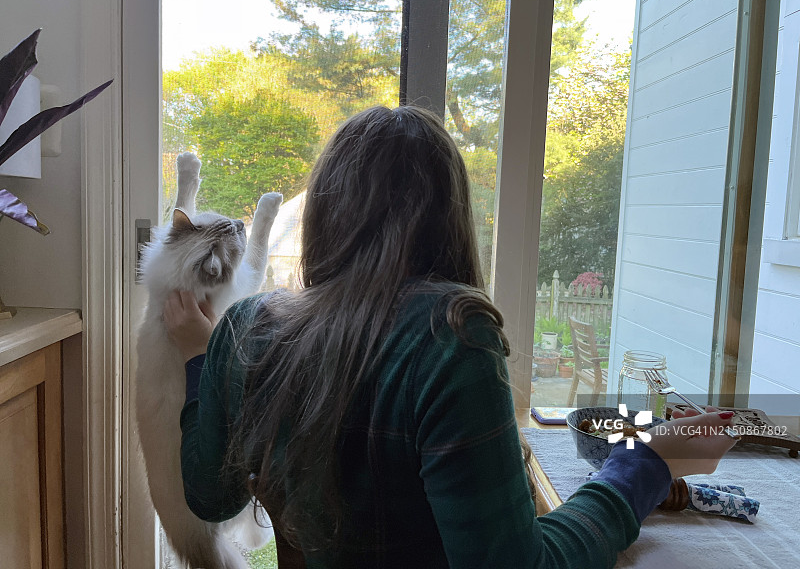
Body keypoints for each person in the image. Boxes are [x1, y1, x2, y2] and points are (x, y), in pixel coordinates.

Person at [163, 105, 737, 568]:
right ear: (453, 218)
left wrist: (199, 356)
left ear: (325, 218)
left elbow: (210, 496)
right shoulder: (450, 337)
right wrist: (648, 461)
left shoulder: (248, 327)